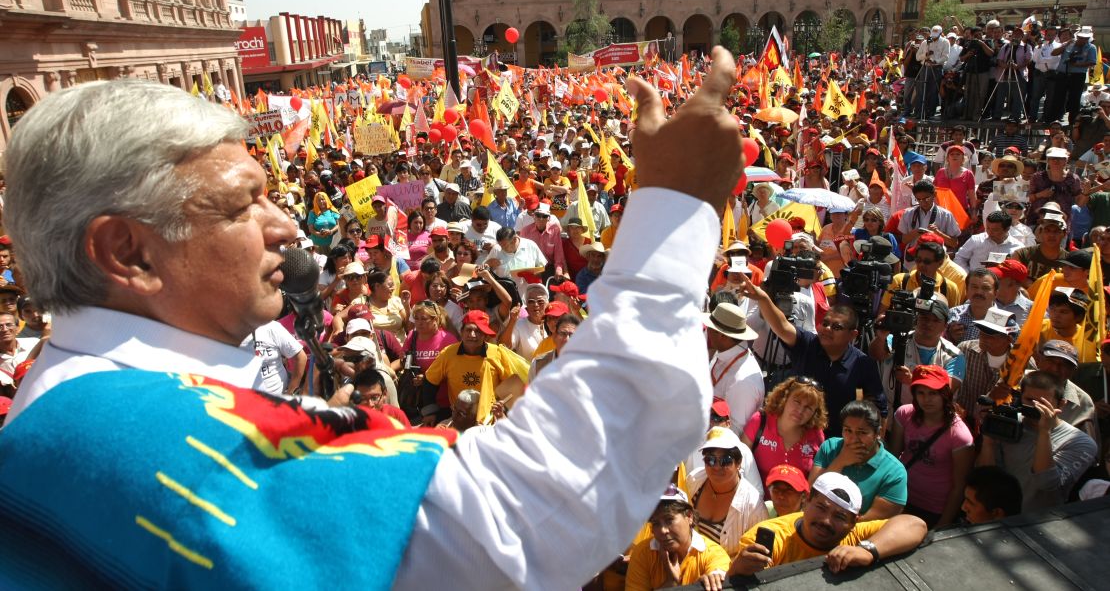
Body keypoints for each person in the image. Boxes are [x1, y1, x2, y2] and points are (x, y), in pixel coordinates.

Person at [0, 55, 746, 589]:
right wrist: (677, 208)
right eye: (240, 203)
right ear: (127, 251)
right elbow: (515, 524)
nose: (286, 224)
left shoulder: (88, 400)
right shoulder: (121, 433)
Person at [742, 276, 886, 436]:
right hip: (796, 438)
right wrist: (763, 298)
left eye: (836, 327)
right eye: (825, 323)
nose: (828, 329)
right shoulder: (807, 344)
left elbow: (878, 411)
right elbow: (782, 326)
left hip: (836, 444)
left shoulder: (863, 363)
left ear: (853, 335)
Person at [731, 472, 927, 575]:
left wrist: (869, 550)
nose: (826, 521)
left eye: (840, 517)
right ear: (806, 503)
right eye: (821, 508)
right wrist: (739, 569)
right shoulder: (772, 536)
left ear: (853, 523)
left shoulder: (856, 534)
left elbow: (915, 524)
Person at [977, 370, 1098, 513]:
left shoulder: (1080, 443)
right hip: (1000, 517)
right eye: (1029, 400)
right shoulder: (1010, 424)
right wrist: (988, 442)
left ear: (1061, 404)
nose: (1035, 407)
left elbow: (1046, 483)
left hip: (1041, 522)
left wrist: (1044, 432)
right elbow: (986, 477)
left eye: (1042, 403)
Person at [886, 366, 974, 528]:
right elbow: (892, 459)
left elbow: (959, 485)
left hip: (934, 509)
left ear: (945, 394)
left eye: (933, 393)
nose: (927, 399)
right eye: (921, 393)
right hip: (900, 497)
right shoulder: (904, 415)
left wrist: (942, 525)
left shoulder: (960, 435)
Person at [810, 401, 908, 520]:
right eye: (848, 430)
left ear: (879, 433)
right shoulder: (830, 447)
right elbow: (810, 493)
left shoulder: (894, 472)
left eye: (862, 433)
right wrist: (840, 461)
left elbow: (873, 519)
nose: (853, 439)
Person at [624, 486, 731, 591]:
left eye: (669, 520)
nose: (663, 530)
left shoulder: (714, 555)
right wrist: (671, 583)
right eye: (656, 523)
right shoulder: (642, 553)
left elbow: (718, 574)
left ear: (689, 517)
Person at [685, 427, 769, 560]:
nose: (717, 467)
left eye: (726, 460)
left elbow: (758, 558)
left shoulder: (754, 507)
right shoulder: (693, 480)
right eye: (710, 460)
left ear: (739, 463)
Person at [740, 376, 827, 478]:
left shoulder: (816, 434)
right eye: (797, 402)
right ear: (784, 398)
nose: (800, 411)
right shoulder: (759, 421)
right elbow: (740, 464)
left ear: (814, 412)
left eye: (808, 408)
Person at [704, 302, 765, 436]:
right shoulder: (724, 351)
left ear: (722, 336)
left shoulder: (743, 381)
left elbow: (734, 433)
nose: (706, 330)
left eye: (710, 327)